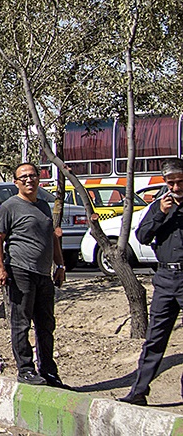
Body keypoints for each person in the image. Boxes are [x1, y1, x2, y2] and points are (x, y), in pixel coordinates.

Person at [0, 162, 66, 387]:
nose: (28, 180)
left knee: (46, 325)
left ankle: (48, 371)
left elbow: (52, 238)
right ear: (16, 182)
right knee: (21, 323)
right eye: (23, 177)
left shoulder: (44, 206)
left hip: (43, 274)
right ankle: (25, 370)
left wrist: (60, 266)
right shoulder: (9, 207)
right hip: (20, 271)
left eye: (32, 175)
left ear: (38, 178)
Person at [119, 158, 183, 405]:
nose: (176, 188)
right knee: (155, 339)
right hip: (165, 279)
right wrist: (161, 213)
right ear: (165, 183)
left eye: (180, 182)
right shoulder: (159, 207)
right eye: (171, 183)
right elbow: (142, 236)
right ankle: (138, 392)